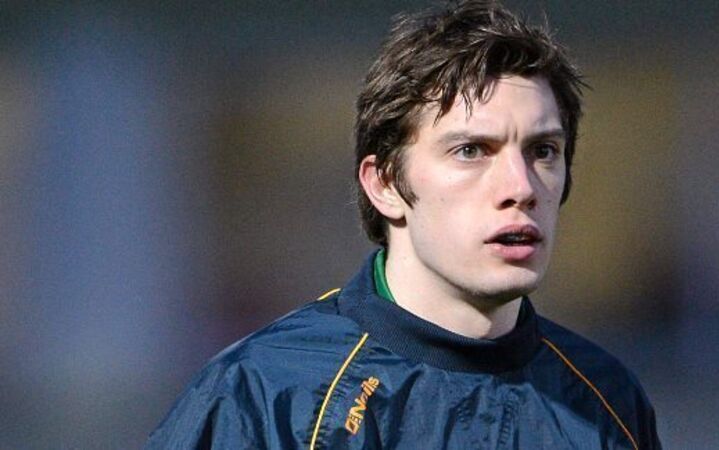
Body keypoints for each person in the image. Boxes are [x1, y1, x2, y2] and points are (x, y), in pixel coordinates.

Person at [147, 1, 661, 448]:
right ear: (386, 184)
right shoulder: (263, 395)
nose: (521, 186)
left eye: (543, 150)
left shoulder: (608, 400)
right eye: (471, 150)